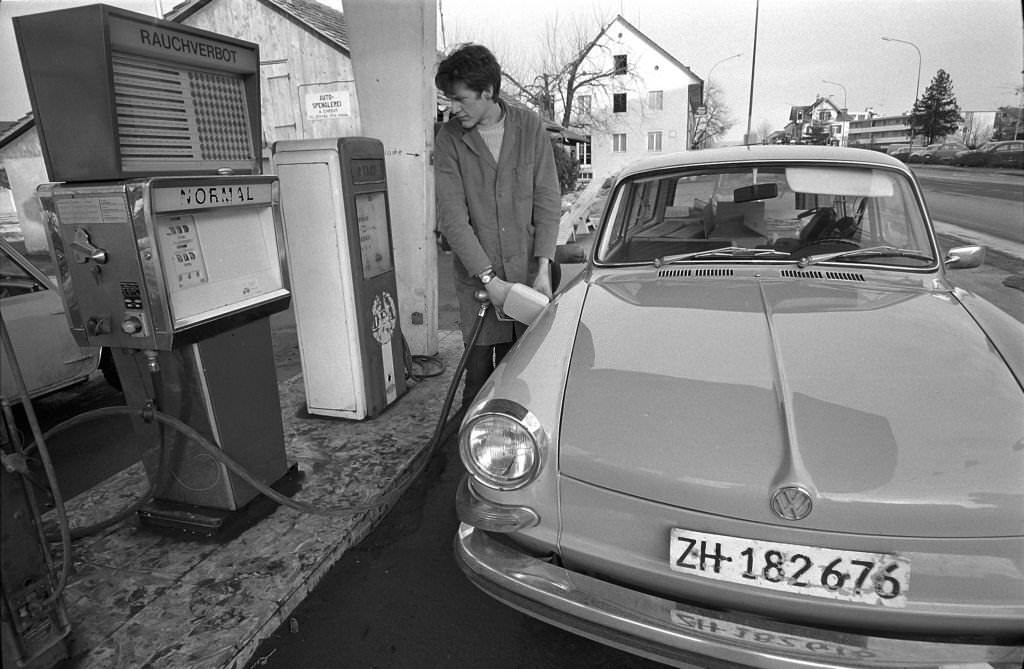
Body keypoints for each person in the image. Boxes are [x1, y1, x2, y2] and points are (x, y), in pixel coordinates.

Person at [434, 43, 561, 409]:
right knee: (477, 379)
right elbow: (452, 219)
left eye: (460, 99)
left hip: (529, 279)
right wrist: (490, 280)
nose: (452, 108)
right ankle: (465, 458)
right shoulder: (450, 140)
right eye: (448, 99)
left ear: (488, 91)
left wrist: (542, 269)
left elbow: (547, 199)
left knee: (528, 372)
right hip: (479, 285)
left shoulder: (529, 127)